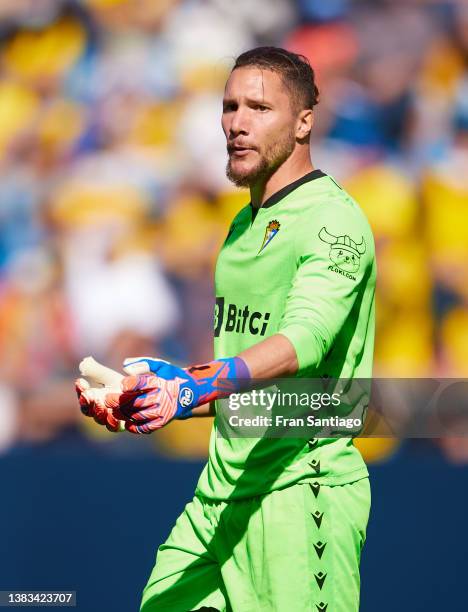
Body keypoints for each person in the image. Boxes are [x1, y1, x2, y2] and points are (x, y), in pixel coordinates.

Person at [76, 46, 376, 612]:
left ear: (305, 121)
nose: (237, 123)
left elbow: (301, 345)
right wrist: (164, 392)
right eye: (229, 106)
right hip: (219, 497)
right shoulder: (241, 227)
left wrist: (193, 387)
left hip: (298, 497)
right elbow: (250, 387)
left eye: (259, 108)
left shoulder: (334, 221)